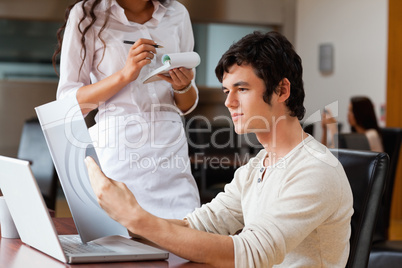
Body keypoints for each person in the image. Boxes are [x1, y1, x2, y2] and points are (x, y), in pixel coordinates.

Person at [85, 31, 353, 267]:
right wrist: (125, 224)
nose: (229, 102)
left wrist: (137, 218)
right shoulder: (258, 166)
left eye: (242, 89)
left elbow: (251, 253)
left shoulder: (315, 169)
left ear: (282, 90)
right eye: (226, 91)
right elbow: (199, 225)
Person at [53, 0, 200, 219]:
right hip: (119, 156)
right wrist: (125, 75)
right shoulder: (86, 14)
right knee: (122, 241)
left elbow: (187, 105)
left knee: (186, 239)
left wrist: (183, 86)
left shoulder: (177, 13)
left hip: (171, 155)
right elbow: (67, 106)